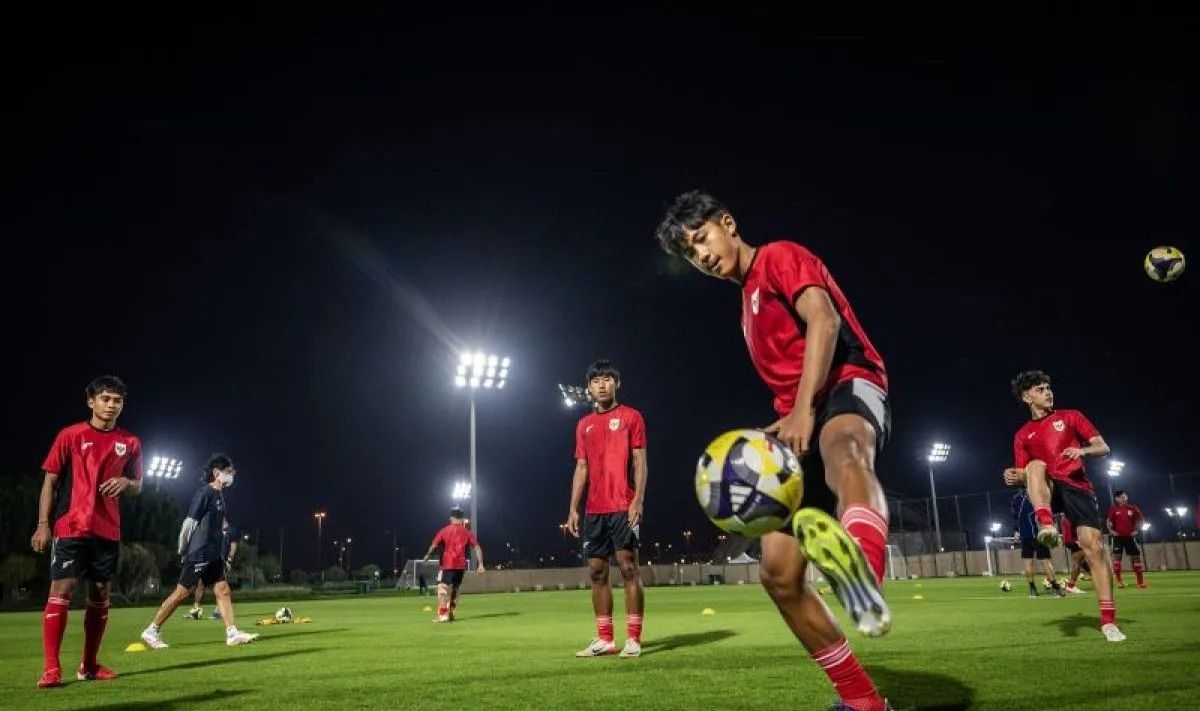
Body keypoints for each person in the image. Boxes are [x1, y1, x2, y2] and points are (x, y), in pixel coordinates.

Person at [656, 192, 893, 711]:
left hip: (846, 383)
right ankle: (863, 702)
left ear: (728, 223)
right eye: (692, 255)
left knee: (844, 449)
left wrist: (806, 408)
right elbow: (788, 386)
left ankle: (863, 572)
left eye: (703, 239)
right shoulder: (745, 307)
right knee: (779, 576)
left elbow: (824, 321)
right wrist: (784, 425)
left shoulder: (779, 256)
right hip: (797, 417)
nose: (703, 255)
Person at [30, 375, 143, 689]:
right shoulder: (70, 435)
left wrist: (126, 483)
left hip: (107, 530)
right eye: (105, 399)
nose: (111, 405)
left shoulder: (131, 442)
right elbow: (50, 483)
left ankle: (89, 665)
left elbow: (138, 487)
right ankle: (52, 669)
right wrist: (43, 524)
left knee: (101, 595)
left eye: (117, 400)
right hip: (71, 525)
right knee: (62, 590)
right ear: (91, 402)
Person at [1003, 370, 1124, 642]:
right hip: (1048, 487)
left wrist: (1082, 451)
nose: (1048, 392)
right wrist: (1014, 476)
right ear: (1027, 397)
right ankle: (1046, 523)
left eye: (1048, 387)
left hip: (1077, 486)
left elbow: (1103, 447)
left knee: (1093, 547)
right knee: (1034, 466)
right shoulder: (1023, 434)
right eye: (1040, 389)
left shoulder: (1071, 417)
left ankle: (1108, 622)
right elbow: (1026, 474)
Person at [566, 360, 648, 659]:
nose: (602, 385)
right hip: (594, 510)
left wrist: (637, 500)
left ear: (617, 384)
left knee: (628, 568)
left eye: (607, 379)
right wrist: (574, 508)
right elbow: (582, 467)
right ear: (589, 388)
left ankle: (634, 639)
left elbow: (640, 462)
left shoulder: (631, 417)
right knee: (597, 572)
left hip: (622, 504)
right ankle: (605, 639)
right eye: (596, 381)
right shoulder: (583, 425)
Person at [140, 454, 258, 648]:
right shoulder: (205, 493)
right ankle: (152, 630)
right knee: (181, 594)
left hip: (214, 555)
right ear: (216, 473)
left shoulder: (219, 495)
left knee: (223, 590)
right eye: (229, 472)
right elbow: (189, 524)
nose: (231, 476)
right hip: (200, 553)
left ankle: (232, 633)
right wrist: (183, 548)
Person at [421, 507, 484, 621]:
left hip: (448, 564)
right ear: (462, 519)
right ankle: (451, 613)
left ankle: (443, 614)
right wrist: (481, 564)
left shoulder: (444, 530)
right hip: (461, 565)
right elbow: (477, 547)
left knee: (442, 587)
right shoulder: (467, 532)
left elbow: (434, 545)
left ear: (451, 518)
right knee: (455, 588)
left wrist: (427, 555)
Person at [1010, 489, 1062, 597]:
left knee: (1028, 562)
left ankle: (1032, 590)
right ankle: (1055, 588)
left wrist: (1017, 532)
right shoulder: (1034, 495)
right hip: (1038, 534)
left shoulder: (1016, 499)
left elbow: (1015, 517)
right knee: (1045, 562)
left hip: (1024, 536)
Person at [187, 517, 238, 620]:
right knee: (201, 583)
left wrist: (229, 560)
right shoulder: (215, 529)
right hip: (211, 560)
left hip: (222, 561)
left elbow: (233, 546)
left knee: (220, 585)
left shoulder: (231, 530)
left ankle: (219, 611)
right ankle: (196, 609)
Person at [1107, 490, 1146, 589]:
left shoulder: (1133, 508)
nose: (1123, 499)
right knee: (1117, 559)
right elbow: (1108, 522)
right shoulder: (1113, 509)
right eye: (1121, 497)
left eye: (1124, 497)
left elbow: (1141, 520)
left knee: (1136, 558)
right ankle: (1119, 582)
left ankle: (1140, 583)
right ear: (1116, 499)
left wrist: (1137, 530)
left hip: (1130, 537)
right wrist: (1112, 531)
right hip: (1118, 538)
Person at [1060, 516, 1089, 595]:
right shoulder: (1070, 515)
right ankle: (1071, 586)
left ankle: (1071, 584)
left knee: (1080, 561)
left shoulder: (1067, 515)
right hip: (1073, 540)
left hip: (1071, 539)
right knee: (1077, 561)